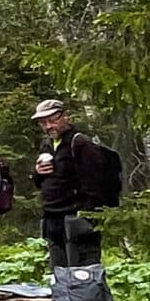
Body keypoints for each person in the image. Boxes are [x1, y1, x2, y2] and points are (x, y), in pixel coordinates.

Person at [32, 98, 105, 268]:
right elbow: (41, 183)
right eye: (43, 122)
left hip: (76, 220)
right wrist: (37, 173)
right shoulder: (47, 145)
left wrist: (87, 216)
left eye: (52, 120)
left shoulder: (80, 143)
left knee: (82, 278)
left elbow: (96, 183)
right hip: (52, 221)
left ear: (66, 117)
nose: (48, 126)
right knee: (60, 277)